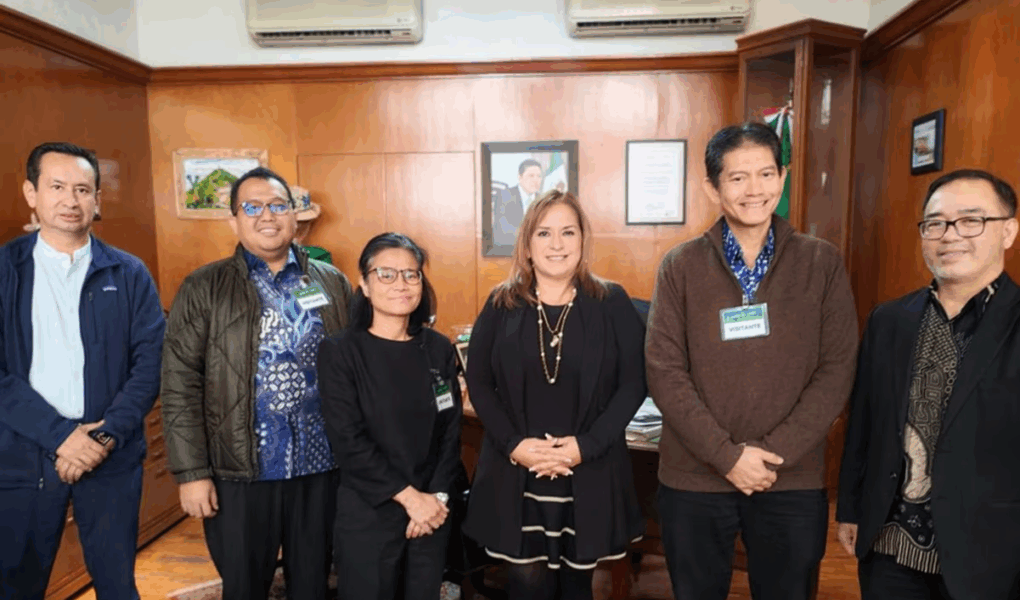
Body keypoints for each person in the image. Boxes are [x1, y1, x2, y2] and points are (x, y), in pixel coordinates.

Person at [645, 122, 858, 600]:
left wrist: (770, 454)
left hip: (790, 478)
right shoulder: (680, 266)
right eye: (737, 177)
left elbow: (837, 369)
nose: (754, 189)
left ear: (782, 176)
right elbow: (664, 371)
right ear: (713, 187)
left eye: (765, 174)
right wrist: (728, 457)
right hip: (695, 479)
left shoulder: (821, 262)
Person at [161, 166, 353, 600]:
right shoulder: (204, 287)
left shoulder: (331, 282)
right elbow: (179, 384)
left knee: (314, 585)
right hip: (240, 472)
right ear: (234, 220)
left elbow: (355, 367)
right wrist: (191, 473)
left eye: (278, 205)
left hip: (320, 469)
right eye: (252, 207)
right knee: (244, 586)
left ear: (294, 215)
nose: (267, 215)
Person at [837, 169, 1020, 600]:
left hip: (992, 554)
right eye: (935, 223)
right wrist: (850, 507)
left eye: (971, 220)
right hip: (889, 546)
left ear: (1008, 231)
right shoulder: (889, 320)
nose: (950, 235)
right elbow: (863, 422)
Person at [0, 142, 165, 599]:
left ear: (97, 199)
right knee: (15, 587)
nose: (70, 200)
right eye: (57, 187)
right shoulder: (5, 270)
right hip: (23, 458)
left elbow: (150, 364)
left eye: (82, 189)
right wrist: (60, 437)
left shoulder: (129, 273)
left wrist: (104, 436)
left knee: (117, 586)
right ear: (31, 193)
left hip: (109, 457)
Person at [464, 189, 647, 600]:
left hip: (590, 469)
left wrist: (587, 447)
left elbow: (634, 383)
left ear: (583, 239)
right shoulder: (501, 303)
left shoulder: (612, 302)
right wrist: (515, 445)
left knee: (577, 586)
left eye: (568, 232)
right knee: (527, 584)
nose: (557, 244)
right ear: (527, 244)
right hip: (516, 471)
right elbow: (479, 382)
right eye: (544, 233)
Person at [318, 232, 463, 600]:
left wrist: (436, 498)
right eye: (386, 274)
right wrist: (410, 499)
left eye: (411, 274)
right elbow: (347, 440)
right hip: (370, 510)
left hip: (432, 510)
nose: (402, 284)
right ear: (365, 285)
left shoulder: (438, 348)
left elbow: (450, 430)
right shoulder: (340, 352)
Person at [494, 158, 544, 247]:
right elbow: (503, 228)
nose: (536, 180)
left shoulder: (543, 199)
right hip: (511, 248)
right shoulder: (504, 196)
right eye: (531, 176)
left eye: (539, 176)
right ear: (520, 177)